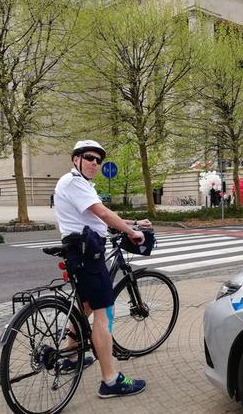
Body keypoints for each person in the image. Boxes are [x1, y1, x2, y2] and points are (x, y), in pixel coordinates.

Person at [54, 139, 151, 399]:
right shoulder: (74, 181)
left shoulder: (81, 184)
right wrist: (133, 232)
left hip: (80, 250)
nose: (95, 163)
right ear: (76, 159)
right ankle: (110, 380)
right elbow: (103, 213)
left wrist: (131, 220)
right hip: (87, 253)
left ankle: (71, 354)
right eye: (89, 158)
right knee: (102, 314)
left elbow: (97, 215)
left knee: (85, 305)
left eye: (99, 160)